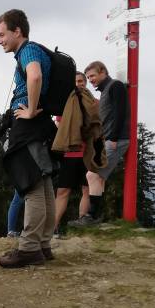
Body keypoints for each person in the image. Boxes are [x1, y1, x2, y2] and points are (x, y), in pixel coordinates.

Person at [0, 9, 58, 267]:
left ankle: (29, 247)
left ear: (17, 31)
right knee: (43, 186)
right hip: (41, 125)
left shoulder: (28, 51)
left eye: (2, 34)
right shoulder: (35, 50)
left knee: (30, 185)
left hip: (28, 125)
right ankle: (43, 245)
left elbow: (34, 75)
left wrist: (30, 110)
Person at [49, 71, 103, 237]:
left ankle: (75, 228)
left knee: (84, 191)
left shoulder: (85, 103)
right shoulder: (87, 103)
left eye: (81, 81)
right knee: (65, 192)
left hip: (84, 154)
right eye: (76, 81)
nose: (79, 84)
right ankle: (54, 230)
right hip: (75, 155)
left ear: (85, 82)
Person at [76, 61, 130, 225]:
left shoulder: (115, 86)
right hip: (109, 139)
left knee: (92, 175)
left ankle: (91, 216)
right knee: (97, 178)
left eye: (92, 75)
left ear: (103, 72)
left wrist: (113, 138)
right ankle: (93, 216)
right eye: (88, 77)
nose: (90, 80)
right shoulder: (107, 89)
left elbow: (121, 113)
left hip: (117, 139)